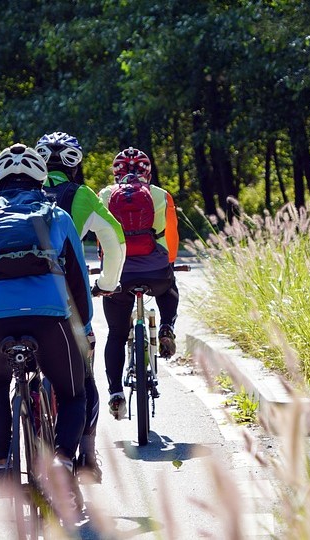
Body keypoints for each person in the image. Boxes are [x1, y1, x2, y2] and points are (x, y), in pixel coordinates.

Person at [0, 143, 90, 507]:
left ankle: (2, 462)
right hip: (50, 320)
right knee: (73, 393)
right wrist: (84, 328)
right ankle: (64, 459)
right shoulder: (57, 217)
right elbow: (78, 281)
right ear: (39, 179)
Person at [35, 131, 126, 483]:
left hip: (10, 305)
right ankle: (86, 454)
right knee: (83, 380)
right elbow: (114, 241)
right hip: (66, 304)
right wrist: (106, 283)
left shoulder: (16, 195)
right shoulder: (81, 196)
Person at [98, 147, 180, 420]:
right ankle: (167, 326)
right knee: (169, 286)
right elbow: (172, 240)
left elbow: (101, 243)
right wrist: (167, 263)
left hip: (119, 276)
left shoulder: (105, 196)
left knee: (116, 335)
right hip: (156, 273)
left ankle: (115, 394)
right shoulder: (161, 196)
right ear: (148, 172)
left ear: (115, 173)